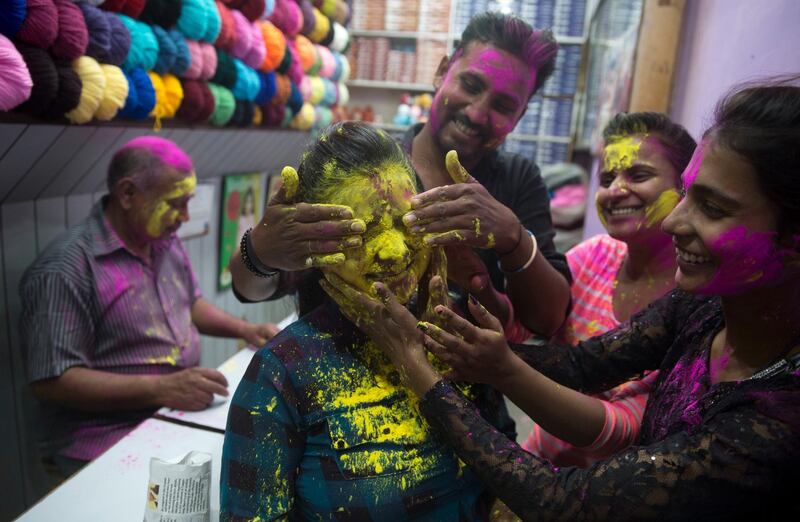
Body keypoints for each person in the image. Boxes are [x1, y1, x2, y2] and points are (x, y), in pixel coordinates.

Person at [323, 79, 800, 519]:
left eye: (712, 208)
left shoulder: (776, 424)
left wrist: (423, 372)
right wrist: (490, 351)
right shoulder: (705, 307)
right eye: (689, 195)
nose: (677, 221)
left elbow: (563, 502)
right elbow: (583, 365)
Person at [230, 11, 572, 340]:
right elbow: (253, 290)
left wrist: (512, 236)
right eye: (470, 84)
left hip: (455, 392)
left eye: (503, 106)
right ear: (442, 71)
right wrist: (259, 250)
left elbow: (548, 321)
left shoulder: (517, 180)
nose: (477, 112)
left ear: (521, 114)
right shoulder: (358, 171)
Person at [220, 122, 487, 521]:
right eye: (363, 231)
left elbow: (503, 475)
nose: (394, 251)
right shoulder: (282, 373)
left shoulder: (458, 333)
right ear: (314, 240)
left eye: (404, 222)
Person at [19, 136, 279, 480]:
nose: (185, 217)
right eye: (175, 203)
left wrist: (244, 329)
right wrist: (161, 387)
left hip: (170, 412)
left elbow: (190, 304)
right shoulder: (66, 268)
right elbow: (53, 382)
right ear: (128, 194)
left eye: (189, 203)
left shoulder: (162, 242)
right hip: (99, 442)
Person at [522, 112, 696, 467]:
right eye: (607, 178)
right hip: (535, 465)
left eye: (639, 175)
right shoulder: (595, 254)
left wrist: (502, 368)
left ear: (686, 186)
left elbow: (621, 432)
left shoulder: (697, 293)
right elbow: (523, 324)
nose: (615, 191)